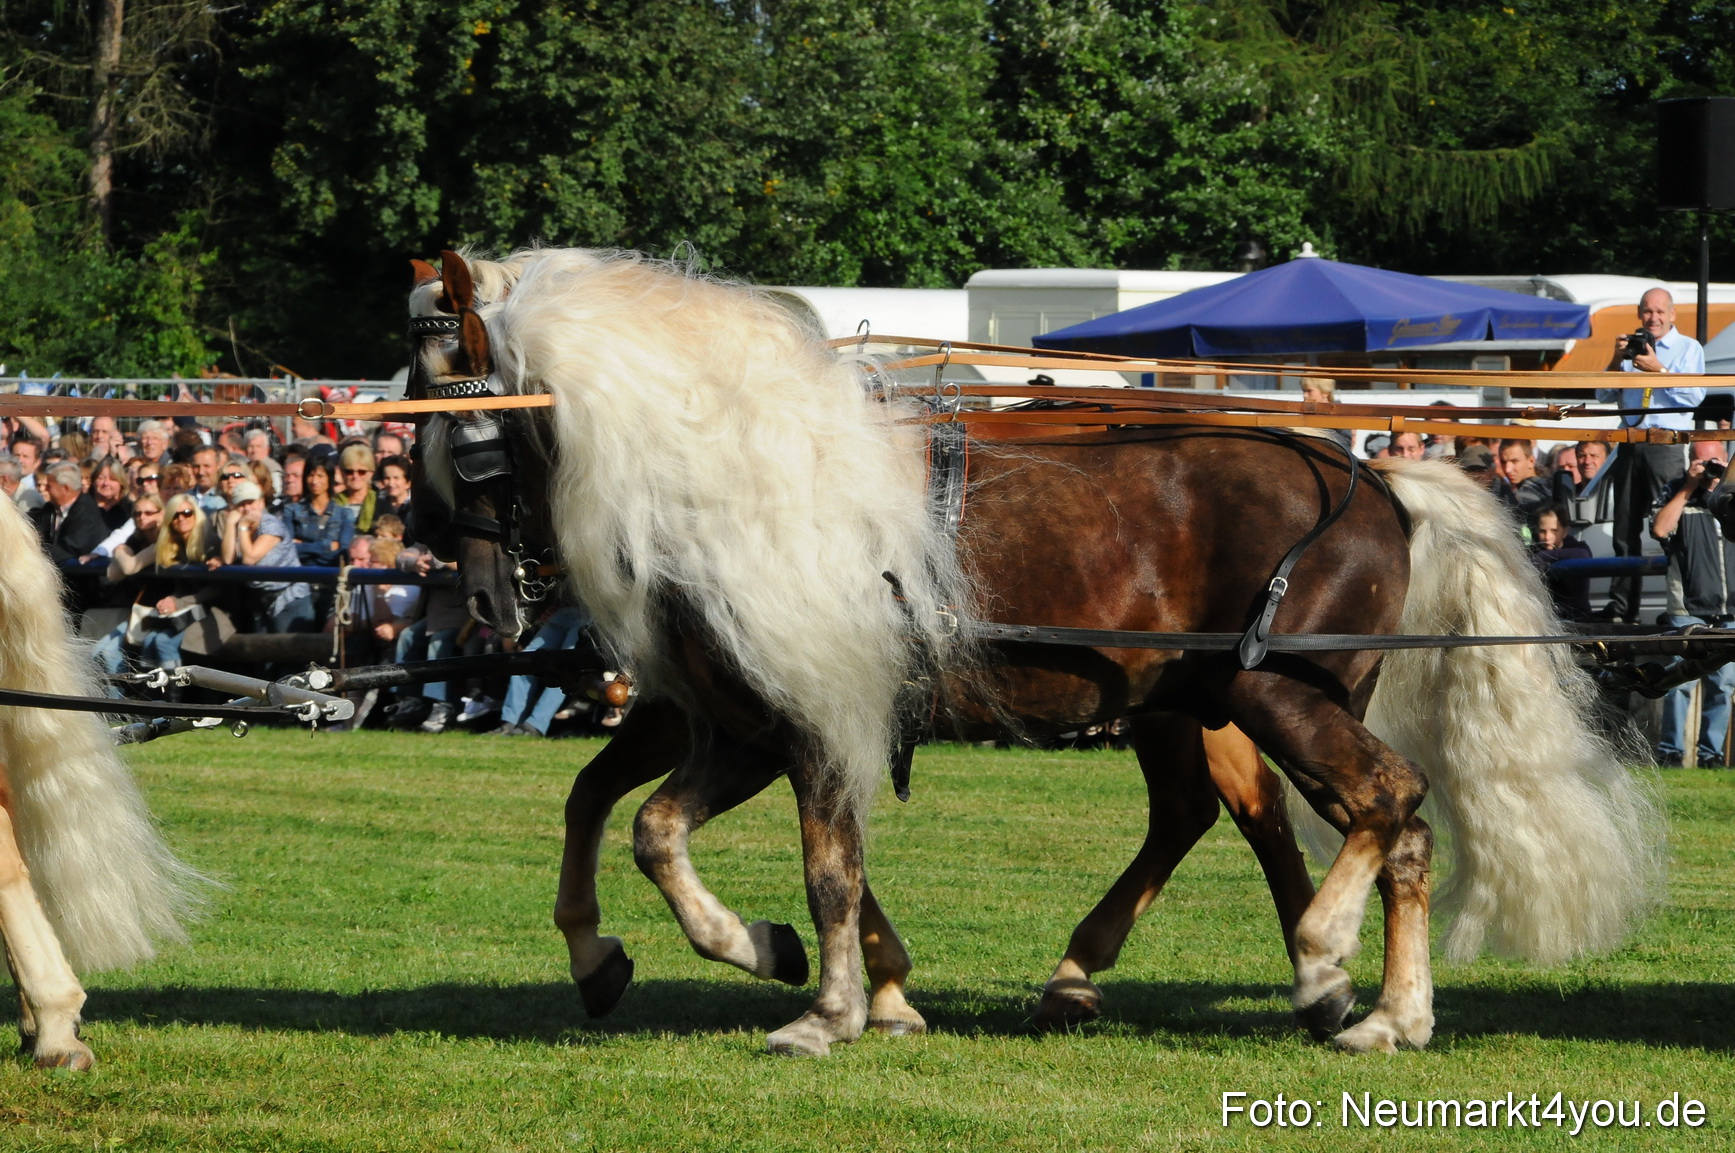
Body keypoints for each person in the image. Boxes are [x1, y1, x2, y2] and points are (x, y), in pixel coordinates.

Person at [1598, 288, 1706, 622]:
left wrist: (1658, 371)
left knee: (1671, 528)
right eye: (1647, 311)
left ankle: (1682, 605)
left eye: (1660, 312)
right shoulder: (1630, 350)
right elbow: (1602, 393)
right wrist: (1618, 360)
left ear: (1673, 315)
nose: (1653, 318)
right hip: (1630, 442)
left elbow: (1695, 396)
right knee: (1624, 532)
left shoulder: (1688, 348)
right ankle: (1622, 609)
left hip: (1666, 445)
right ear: (1639, 314)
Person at [1649, 439, 1735, 767]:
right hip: (1687, 608)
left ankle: (1710, 757)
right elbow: (1659, 529)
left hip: (1730, 608)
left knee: (1722, 684)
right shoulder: (1677, 491)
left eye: (1715, 460)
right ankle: (1671, 752)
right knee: (1678, 682)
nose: (1709, 466)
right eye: (1701, 461)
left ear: (1727, 461)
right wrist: (1689, 487)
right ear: (1690, 463)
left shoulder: (1733, 496)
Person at [218, 480, 316, 633]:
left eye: (251, 502)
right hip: (261, 602)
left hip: (289, 599)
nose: (247, 508)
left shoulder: (270, 524)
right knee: (263, 654)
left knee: (288, 653)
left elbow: (249, 558)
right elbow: (227, 559)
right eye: (241, 504)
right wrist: (230, 524)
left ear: (262, 502)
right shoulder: (241, 528)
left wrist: (242, 526)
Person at [29, 461, 108, 564]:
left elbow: (72, 547)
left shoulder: (87, 512)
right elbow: (36, 529)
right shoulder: (50, 509)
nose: (44, 489)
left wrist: (32, 557)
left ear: (65, 489)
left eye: (49, 486)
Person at [1530, 504, 1593, 621]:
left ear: (1565, 531)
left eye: (1554, 531)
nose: (1548, 537)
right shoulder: (1535, 550)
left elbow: (1583, 554)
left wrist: (1544, 557)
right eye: (1542, 531)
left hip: (1576, 617)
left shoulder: (1577, 548)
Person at [1498, 439, 1552, 516]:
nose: (1507, 469)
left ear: (1531, 461)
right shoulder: (1548, 484)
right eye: (1503, 462)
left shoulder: (1525, 495)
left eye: (1514, 461)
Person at [336, 443, 379, 533]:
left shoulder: (382, 505)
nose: (355, 476)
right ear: (342, 473)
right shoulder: (332, 504)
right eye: (349, 471)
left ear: (371, 473)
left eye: (361, 472)